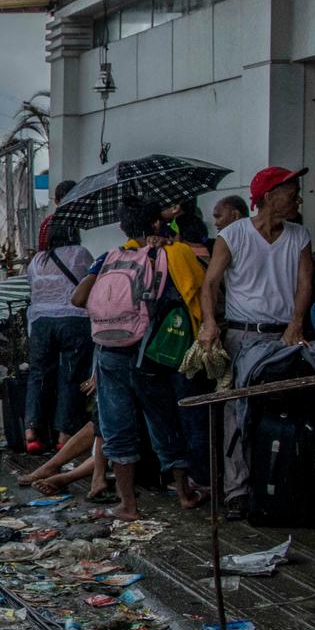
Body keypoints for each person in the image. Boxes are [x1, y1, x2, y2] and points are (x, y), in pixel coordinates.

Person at [73, 197, 206, 521]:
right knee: (164, 422)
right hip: (153, 353)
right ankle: (185, 494)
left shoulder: (109, 257)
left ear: (124, 228)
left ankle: (128, 504)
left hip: (109, 352)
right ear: (157, 223)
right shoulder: (173, 254)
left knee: (117, 426)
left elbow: (78, 298)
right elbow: (198, 295)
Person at [200, 167, 315, 507]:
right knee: (236, 413)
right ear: (268, 197)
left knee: (281, 411)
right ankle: (237, 491)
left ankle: (277, 484)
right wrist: (209, 324)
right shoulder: (234, 235)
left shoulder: (299, 235)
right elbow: (210, 284)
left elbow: (304, 285)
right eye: (291, 191)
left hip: (282, 337)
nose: (297, 197)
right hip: (241, 334)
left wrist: (296, 324)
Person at [25, 214, 95, 453]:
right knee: (71, 376)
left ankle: (31, 432)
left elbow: (32, 290)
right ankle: (64, 436)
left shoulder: (36, 260)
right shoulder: (80, 253)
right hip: (74, 320)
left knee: (38, 376)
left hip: (41, 323)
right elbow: (92, 282)